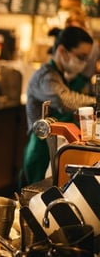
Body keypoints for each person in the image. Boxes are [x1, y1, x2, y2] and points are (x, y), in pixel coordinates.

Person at [22, 26, 96, 188]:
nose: (83, 63)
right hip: (40, 150)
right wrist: (95, 102)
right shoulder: (46, 77)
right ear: (62, 51)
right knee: (35, 198)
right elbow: (65, 100)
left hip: (54, 148)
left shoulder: (60, 76)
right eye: (81, 57)